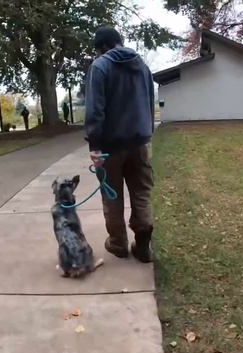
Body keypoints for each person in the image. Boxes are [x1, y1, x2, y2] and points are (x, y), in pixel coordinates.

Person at [84, 26, 156, 263]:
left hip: (110, 147)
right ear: (119, 42)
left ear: (102, 47)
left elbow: (95, 110)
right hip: (141, 142)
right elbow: (149, 101)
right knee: (142, 191)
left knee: (111, 195)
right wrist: (148, 133)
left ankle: (118, 243)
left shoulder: (100, 67)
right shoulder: (142, 66)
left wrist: (94, 146)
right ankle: (143, 242)